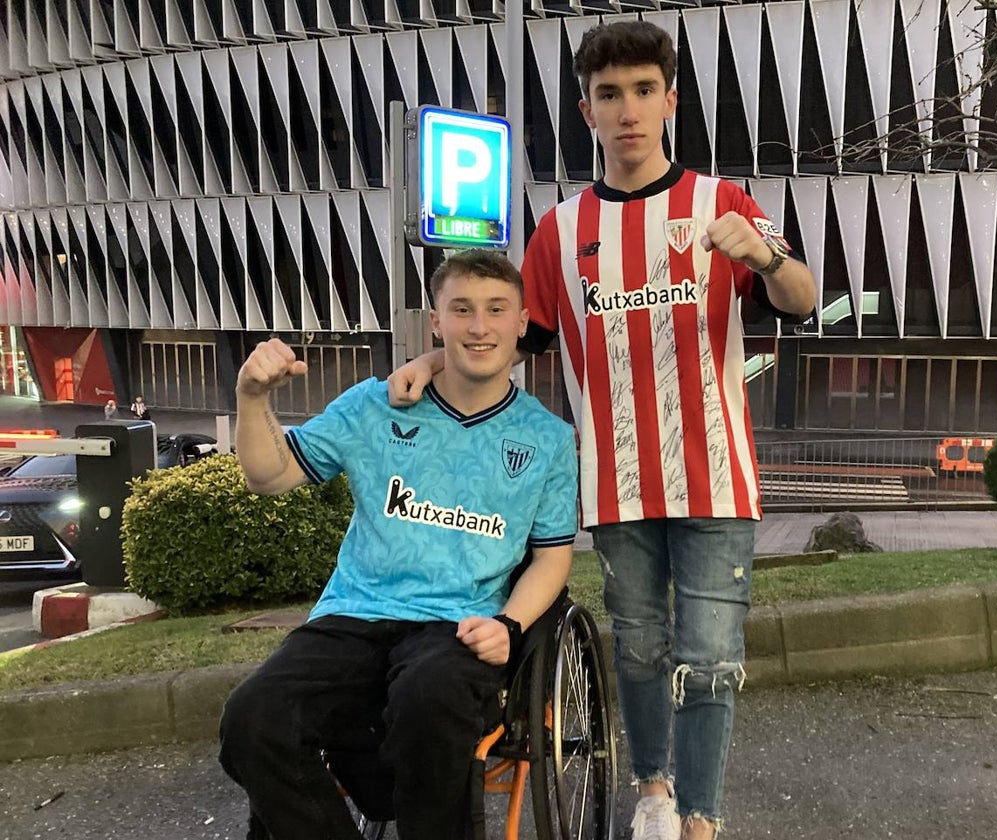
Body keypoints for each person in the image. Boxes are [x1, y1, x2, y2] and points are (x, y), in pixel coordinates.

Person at [387, 21, 817, 840]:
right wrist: (427, 366)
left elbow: (801, 298)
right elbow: (508, 339)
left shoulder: (721, 205)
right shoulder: (559, 231)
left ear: (670, 101)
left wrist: (763, 256)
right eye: (610, 94)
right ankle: (651, 787)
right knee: (642, 651)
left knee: (713, 659)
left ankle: (700, 819)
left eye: (644, 91)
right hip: (615, 483)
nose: (628, 110)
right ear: (587, 110)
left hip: (718, 479)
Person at [218, 249, 579, 840]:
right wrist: (252, 398)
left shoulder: (548, 438)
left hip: (458, 625)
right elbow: (267, 476)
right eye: (461, 309)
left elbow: (552, 555)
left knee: (428, 696)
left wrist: (510, 626)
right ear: (435, 322)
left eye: (495, 310)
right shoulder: (372, 405)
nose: (479, 326)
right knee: (252, 719)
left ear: (522, 322)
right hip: (354, 614)